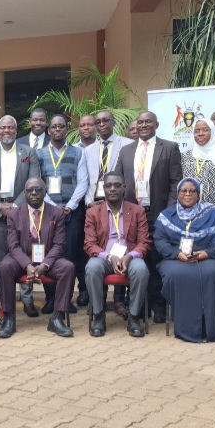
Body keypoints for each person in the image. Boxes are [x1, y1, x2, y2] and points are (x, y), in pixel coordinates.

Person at [116, 110, 182, 324]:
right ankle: (140, 306)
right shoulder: (126, 151)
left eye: (148, 122)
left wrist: (169, 213)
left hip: (158, 213)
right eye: (141, 122)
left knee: (157, 259)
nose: (144, 125)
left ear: (156, 124)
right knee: (136, 259)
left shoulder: (169, 148)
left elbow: (175, 183)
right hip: (130, 215)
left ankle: (159, 306)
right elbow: (117, 180)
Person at [154, 178, 215, 343]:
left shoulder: (213, 212)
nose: (188, 194)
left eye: (192, 191)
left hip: (208, 256)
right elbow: (160, 241)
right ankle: (187, 328)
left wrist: (205, 253)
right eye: (183, 191)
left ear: (199, 194)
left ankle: (213, 328)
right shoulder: (167, 215)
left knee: (213, 272)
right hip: (176, 258)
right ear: (177, 194)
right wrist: (177, 254)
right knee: (176, 274)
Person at [0, 177, 75, 338]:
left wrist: (44, 265)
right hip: (21, 258)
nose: (34, 193)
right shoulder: (14, 214)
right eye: (30, 190)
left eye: (38, 189)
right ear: (24, 193)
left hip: (48, 259)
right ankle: (9, 318)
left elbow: (59, 245)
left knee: (68, 268)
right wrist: (27, 265)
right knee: (4, 267)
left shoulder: (57, 213)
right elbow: (13, 246)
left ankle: (57, 318)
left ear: (45, 192)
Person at [0, 115, 41, 315]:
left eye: (10, 128)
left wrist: (14, 207)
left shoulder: (28, 152)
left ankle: (27, 299)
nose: (6, 131)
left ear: (16, 130)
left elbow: (34, 181)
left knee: (24, 256)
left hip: (21, 212)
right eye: (3, 128)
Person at [179, 118, 215, 318]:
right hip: (190, 219)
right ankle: (196, 309)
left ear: (212, 132)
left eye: (205, 130)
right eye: (197, 131)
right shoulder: (186, 156)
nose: (201, 134)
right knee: (192, 260)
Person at [74, 110, 134, 309]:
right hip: (95, 207)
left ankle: (119, 300)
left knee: (120, 243)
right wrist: (92, 202)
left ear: (113, 122)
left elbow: (128, 178)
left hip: (119, 205)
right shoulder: (88, 150)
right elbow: (85, 179)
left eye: (105, 120)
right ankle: (99, 300)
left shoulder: (126, 145)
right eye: (97, 122)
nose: (101, 124)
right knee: (102, 248)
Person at [83, 172, 151, 337]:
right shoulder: (93, 212)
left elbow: (144, 242)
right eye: (108, 185)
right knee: (91, 268)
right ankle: (99, 316)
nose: (112, 189)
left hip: (130, 256)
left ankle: (134, 317)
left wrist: (130, 256)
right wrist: (109, 257)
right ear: (103, 189)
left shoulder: (137, 211)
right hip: (104, 257)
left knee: (141, 270)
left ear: (124, 188)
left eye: (117, 185)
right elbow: (89, 244)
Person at [37, 114, 83, 315]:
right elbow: (37, 182)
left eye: (61, 126)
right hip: (46, 212)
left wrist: (71, 205)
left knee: (69, 255)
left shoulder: (78, 152)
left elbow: (83, 182)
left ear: (67, 129)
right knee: (47, 253)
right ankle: (50, 298)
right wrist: (52, 206)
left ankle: (66, 299)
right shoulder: (39, 154)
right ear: (49, 131)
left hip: (71, 213)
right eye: (53, 127)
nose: (57, 130)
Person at [72, 113, 97, 307]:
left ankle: (96, 291)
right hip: (78, 207)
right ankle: (83, 290)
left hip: (100, 205)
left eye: (90, 125)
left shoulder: (105, 148)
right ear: (78, 129)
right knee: (79, 249)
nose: (86, 128)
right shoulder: (73, 151)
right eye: (82, 125)